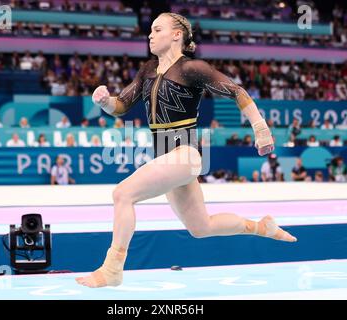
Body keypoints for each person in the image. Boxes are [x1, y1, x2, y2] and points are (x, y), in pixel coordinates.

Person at [76, 12, 296, 289]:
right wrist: (106, 102)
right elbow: (121, 105)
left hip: (184, 155)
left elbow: (237, 91)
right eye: (150, 31)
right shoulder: (147, 70)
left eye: (157, 30)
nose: (150, 35)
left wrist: (261, 130)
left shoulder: (192, 69)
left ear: (177, 35)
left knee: (122, 194)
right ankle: (261, 227)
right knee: (201, 227)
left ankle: (112, 269)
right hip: (167, 157)